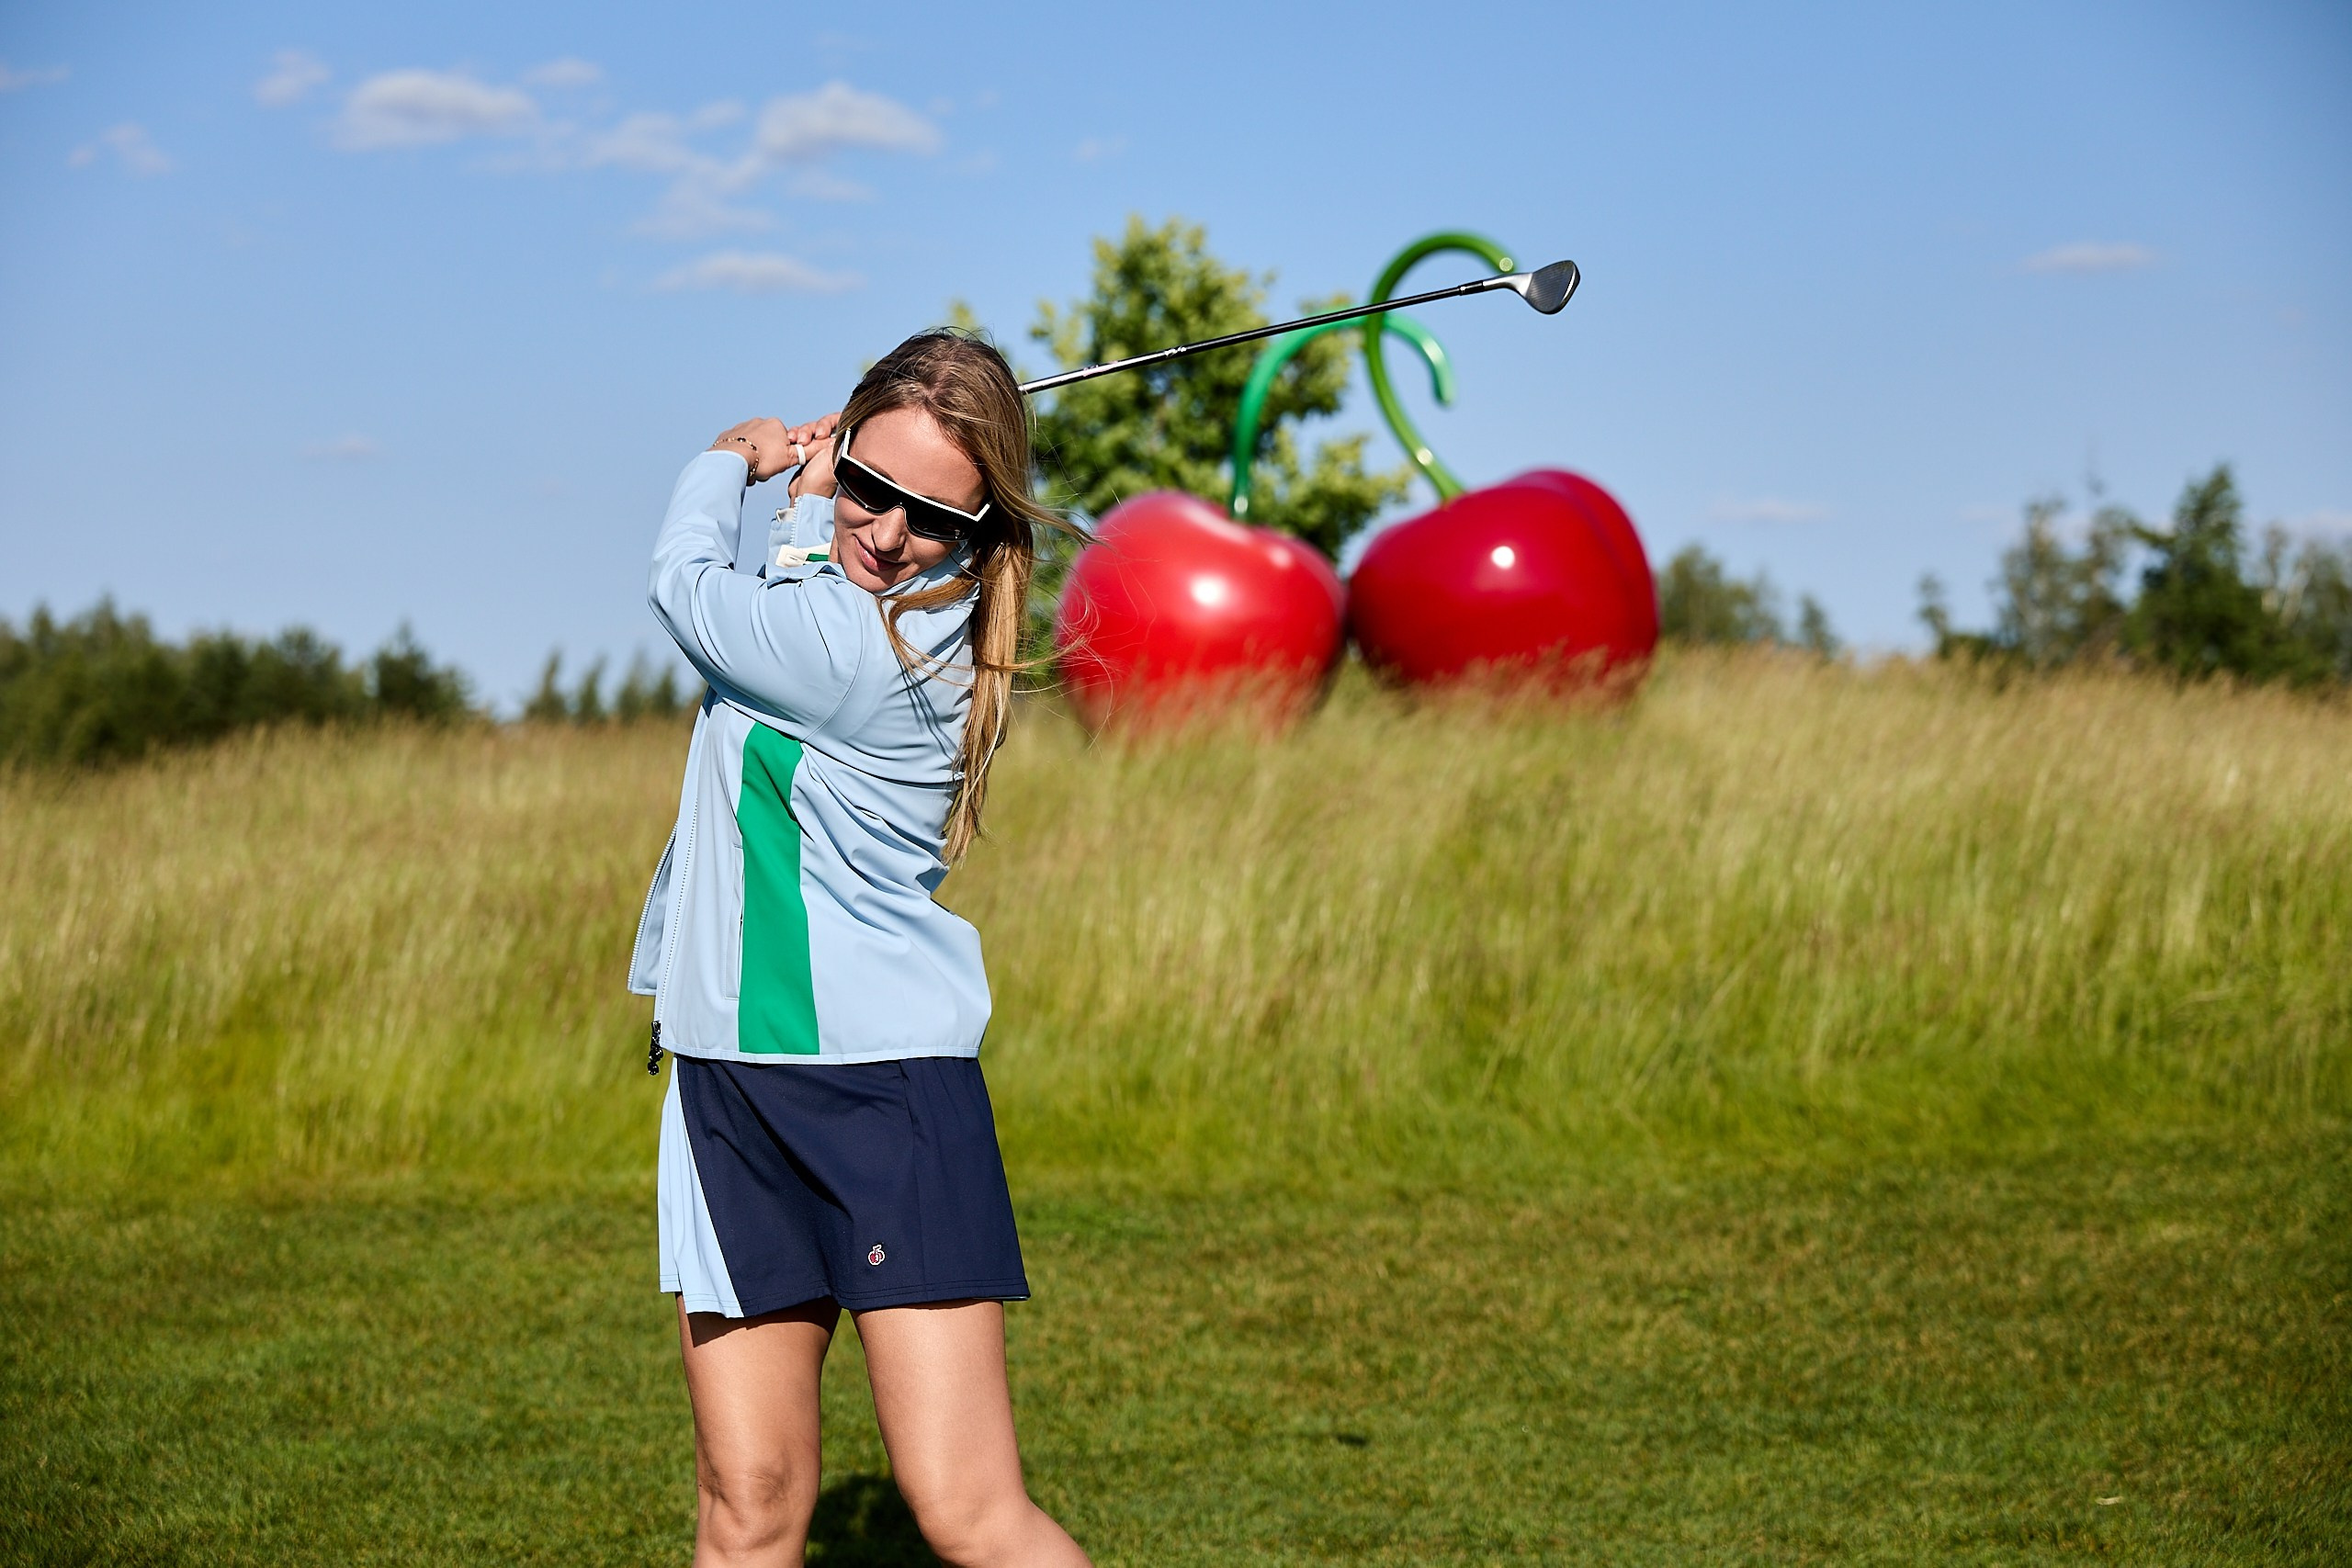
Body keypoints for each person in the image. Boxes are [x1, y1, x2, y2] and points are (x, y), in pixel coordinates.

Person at [628, 330, 1091, 1568]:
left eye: (933, 515)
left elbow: (686, 589)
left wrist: (731, 461)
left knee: (969, 1514)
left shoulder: (875, 655)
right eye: (875, 491)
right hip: (728, 1082)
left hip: (879, 1096)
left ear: (983, 526)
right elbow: (814, 582)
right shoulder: (845, 600)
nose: (887, 535)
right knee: (749, 1506)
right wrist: (816, 501)